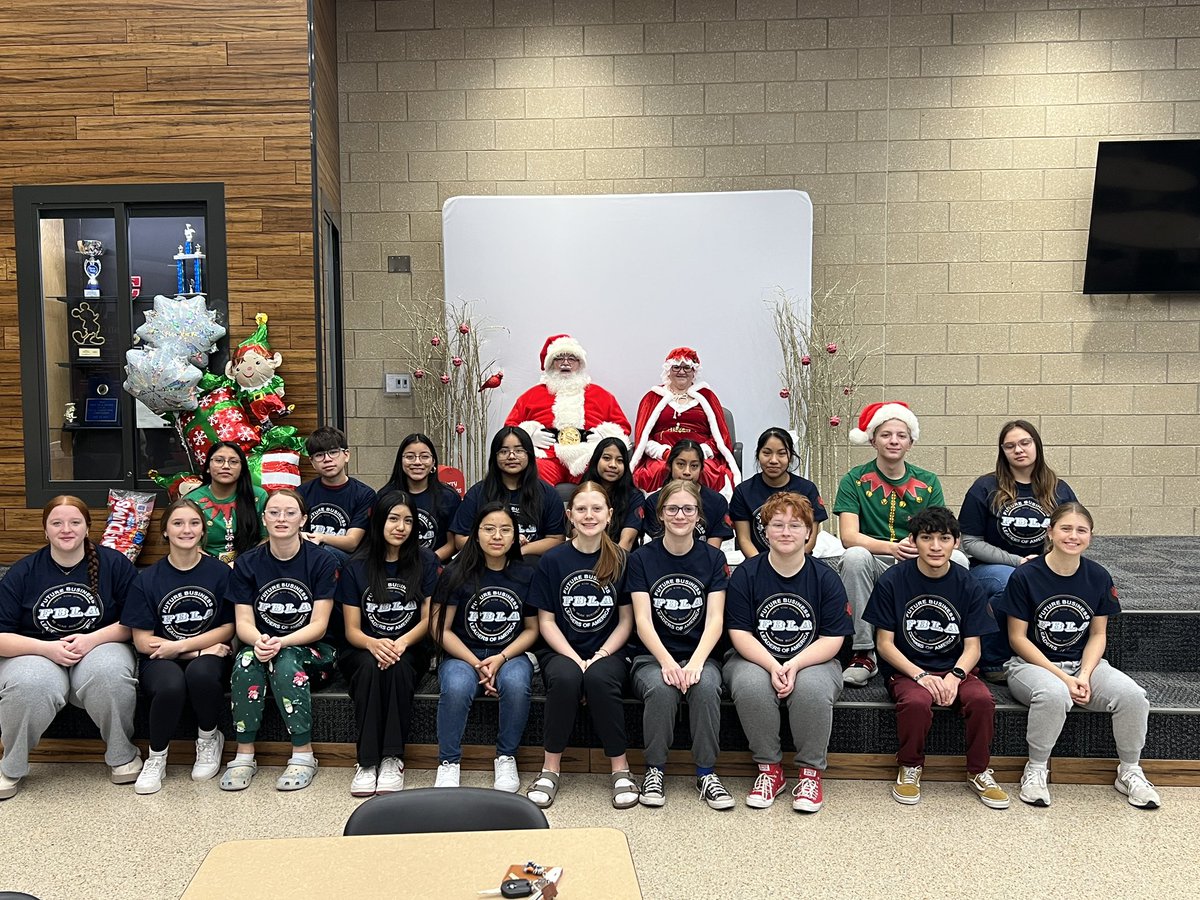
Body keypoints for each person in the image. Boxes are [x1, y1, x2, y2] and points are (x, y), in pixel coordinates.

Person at [997, 502, 1161, 810]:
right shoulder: (1026, 576)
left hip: (1083, 664)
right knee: (1054, 694)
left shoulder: (1098, 576)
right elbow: (1017, 638)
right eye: (1066, 528)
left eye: (1081, 530)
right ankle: (1035, 769)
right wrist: (1064, 678)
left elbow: (1098, 634)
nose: (1073, 536)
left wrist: (1084, 675)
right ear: (1050, 532)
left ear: (1090, 536)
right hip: (1030, 666)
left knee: (1133, 696)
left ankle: (1129, 771)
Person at [863, 506, 1009, 809]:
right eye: (926, 538)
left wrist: (955, 677)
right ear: (913, 541)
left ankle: (979, 770)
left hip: (956, 668)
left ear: (956, 542)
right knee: (916, 702)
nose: (935, 546)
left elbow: (974, 647)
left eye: (944, 538)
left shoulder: (968, 583)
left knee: (982, 700)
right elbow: (885, 644)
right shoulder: (892, 580)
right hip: (908, 669)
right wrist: (921, 676)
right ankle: (910, 766)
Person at [0, 497, 141, 800]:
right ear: (45, 530)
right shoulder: (22, 572)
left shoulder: (115, 564)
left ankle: (122, 755)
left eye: (75, 522)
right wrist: (46, 649)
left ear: (88, 528)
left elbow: (137, 621)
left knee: (109, 673)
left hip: (101, 645)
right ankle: (10, 766)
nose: (66, 529)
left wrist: (92, 639)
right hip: (34, 650)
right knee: (29, 683)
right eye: (57, 523)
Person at [725, 493, 850, 813]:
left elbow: (832, 638)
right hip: (754, 655)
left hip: (814, 657)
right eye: (777, 524)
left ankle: (810, 774)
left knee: (812, 687)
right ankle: (770, 771)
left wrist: (793, 664)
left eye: (795, 525)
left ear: (809, 532)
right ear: (764, 531)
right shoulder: (746, 574)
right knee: (752, 684)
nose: (785, 532)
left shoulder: (826, 578)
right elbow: (739, 632)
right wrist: (771, 664)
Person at [832, 401, 967, 687]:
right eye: (886, 434)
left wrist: (918, 548)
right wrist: (892, 548)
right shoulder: (854, 480)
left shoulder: (928, 481)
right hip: (877, 561)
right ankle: (863, 652)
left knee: (960, 561)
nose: (894, 441)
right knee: (855, 557)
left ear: (911, 442)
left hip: (917, 559)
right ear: (873, 440)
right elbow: (849, 537)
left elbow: (940, 532)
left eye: (901, 435)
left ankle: (948, 646)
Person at [525, 482, 638, 810]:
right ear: (569, 515)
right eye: (582, 509)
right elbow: (545, 621)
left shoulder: (622, 559)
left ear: (610, 515)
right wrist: (576, 658)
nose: (589, 515)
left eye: (597, 509)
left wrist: (600, 655)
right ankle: (550, 768)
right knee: (567, 677)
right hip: (562, 649)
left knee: (599, 678)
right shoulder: (552, 559)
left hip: (611, 649)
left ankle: (620, 769)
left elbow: (626, 620)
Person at [221, 489, 337, 793]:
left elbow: (320, 625)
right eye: (273, 512)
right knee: (246, 661)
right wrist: (260, 640)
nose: (281, 518)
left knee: (285, 664)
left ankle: (303, 753)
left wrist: (281, 642)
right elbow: (243, 622)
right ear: (264, 519)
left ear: (303, 519)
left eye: (289, 512)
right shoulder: (247, 563)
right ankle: (245, 754)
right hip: (262, 644)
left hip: (311, 649)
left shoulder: (321, 562)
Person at [627, 480, 732, 810]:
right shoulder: (641, 559)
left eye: (688, 509)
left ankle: (706, 773)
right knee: (661, 688)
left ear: (699, 515)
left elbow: (716, 618)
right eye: (672, 509)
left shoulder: (714, 559)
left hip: (701, 654)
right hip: (651, 656)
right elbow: (642, 620)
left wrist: (697, 662)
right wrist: (668, 663)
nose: (680, 515)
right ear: (660, 515)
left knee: (705, 686)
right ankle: (654, 771)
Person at [121, 498, 236, 794]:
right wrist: (191, 650)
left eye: (194, 523)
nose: (187, 529)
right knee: (171, 684)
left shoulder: (220, 574)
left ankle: (209, 737)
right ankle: (156, 757)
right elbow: (142, 641)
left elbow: (228, 627)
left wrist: (183, 648)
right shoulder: (147, 580)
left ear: (202, 532)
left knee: (200, 674)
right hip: (161, 655)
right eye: (178, 523)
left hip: (208, 655)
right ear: (165, 532)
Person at [431, 503, 539, 791]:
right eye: (489, 529)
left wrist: (501, 658)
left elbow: (532, 629)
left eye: (506, 530)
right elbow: (439, 629)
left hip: (510, 653)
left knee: (516, 683)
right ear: (475, 533)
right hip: (463, 654)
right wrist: (477, 663)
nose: (497, 536)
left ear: (516, 536)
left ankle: (506, 757)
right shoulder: (455, 573)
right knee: (456, 686)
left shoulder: (526, 574)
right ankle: (448, 761)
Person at [338, 490, 438, 797]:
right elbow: (352, 630)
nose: (401, 527)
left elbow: (429, 619)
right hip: (363, 647)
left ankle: (393, 758)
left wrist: (400, 643)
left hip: (410, 646)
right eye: (393, 519)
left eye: (408, 520)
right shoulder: (357, 566)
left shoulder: (426, 560)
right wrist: (374, 643)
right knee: (369, 669)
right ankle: (367, 762)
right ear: (379, 520)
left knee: (397, 669)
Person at [960, 420, 1077, 679]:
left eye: (1025, 443)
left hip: (1046, 565)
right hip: (990, 568)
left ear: (1036, 445)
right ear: (1002, 451)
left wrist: (1048, 562)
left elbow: (1072, 531)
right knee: (1010, 583)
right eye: (1010, 446)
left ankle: (1056, 656)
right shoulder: (985, 488)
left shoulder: (1059, 489)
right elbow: (970, 542)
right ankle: (993, 662)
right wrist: (1017, 561)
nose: (1019, 450)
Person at [505, 333, 631, 486]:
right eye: (559, 358)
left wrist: (603, 438)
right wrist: (529, 436)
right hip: (547, 456)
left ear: (580, 364)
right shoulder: (531, 395)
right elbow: (510, 429)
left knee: (600, 475)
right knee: (533, 474)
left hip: (586, 455)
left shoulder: (602, 396)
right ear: (551, 364)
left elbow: (622, 428)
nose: (566, 363)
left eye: (572, 359)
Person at [629, 347, 740, 497]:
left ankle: (706, 515)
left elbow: (720, 436)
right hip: (661, 456)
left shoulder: (707, 397)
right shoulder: (652, 397)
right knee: (658, 471)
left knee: (706, 472)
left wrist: (699, 453)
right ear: (668, 370)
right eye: (676, 367)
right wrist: (665, 453)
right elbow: (643, 436)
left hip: (701, 456)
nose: (682, 372)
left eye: (687, 367)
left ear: (694, 371)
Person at [450, 427, 566, 559]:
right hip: (484, 563)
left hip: (529, 564)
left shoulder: (548, 494)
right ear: (495, 456)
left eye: (519, 450)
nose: (511, 456)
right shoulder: (478, 493)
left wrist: (520, 550)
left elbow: (557, 539)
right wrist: (497, 546)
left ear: (529, 454)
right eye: (504, 451)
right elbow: (460, 540)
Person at [730, 427, 826, 558]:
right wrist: (763, 566)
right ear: (758, 455)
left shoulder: (807, 489)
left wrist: (791, 562)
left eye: (781, 454)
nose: (773, 460)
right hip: (759, 565)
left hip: (800, 562)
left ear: (790, 457)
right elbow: (744, 540)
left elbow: (810, 540)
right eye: (767, 453)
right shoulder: (743, 491)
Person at [297, 425, 377, 562]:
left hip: (348, 563)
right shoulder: (302, 492)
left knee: (327, 552)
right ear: (312, 462)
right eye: (319, 455)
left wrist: (321, 537)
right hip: (309, 559)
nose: (327, 459)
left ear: (346, 455)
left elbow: (352, 543)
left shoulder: (365, 494)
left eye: (333, 452)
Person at [636, 440, 733, 550]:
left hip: (703, 564)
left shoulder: (717, 502)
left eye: (694, 466)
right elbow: (659, 548)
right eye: (680, 464)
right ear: (670, 465)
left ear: (701, 468)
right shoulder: (654, 501)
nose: (687, 471)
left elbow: (712, 553)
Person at [381, 433, 462, 563]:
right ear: (400, 461)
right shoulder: (385, 495)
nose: (417, 462)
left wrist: (427, 562)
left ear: (433, 461)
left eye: (424, 457)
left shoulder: (448, 497)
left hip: (435, 567)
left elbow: (452, 544)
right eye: (410, 457)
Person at [189, 441, 268, 563]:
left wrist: (242, 564)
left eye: (234, 462)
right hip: (205, 566)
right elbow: (192, 546)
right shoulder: (192, 501)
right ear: (208, 468)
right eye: (219, 460)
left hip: (250, 565)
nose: (226, 466)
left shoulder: (258, 496)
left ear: (242, 469)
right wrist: (218, 568)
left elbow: (267, 538)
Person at [583, 437, 641, 551]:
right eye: (607, 458)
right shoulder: (582, 493)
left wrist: (610, 565)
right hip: (586, 554)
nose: (613, 465)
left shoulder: (634, 497)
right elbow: (577, 533)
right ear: (596, 460)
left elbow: (627, 541)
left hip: (621, 558)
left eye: (620, 460)